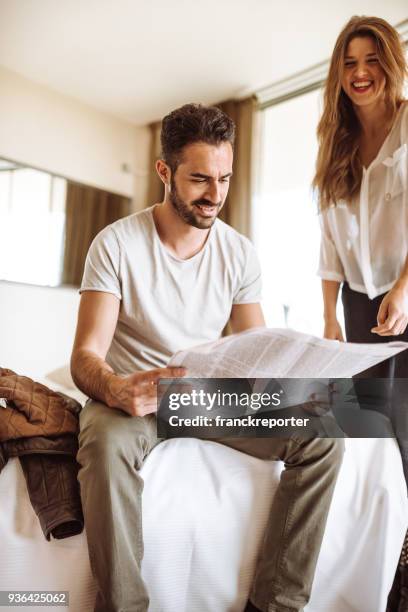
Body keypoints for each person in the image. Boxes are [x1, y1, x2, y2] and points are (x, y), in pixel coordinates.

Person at [71, 103, 344, 612]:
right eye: (199, 179)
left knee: (329, 429)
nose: (215, 195)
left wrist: (295, 373)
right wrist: (114, 388)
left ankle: (274, 604)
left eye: (225, 178)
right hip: (137, 398)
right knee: (104, 447)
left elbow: (257, 348)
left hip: (205, 398)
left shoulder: (239, 253)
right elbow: (85, 355)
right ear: (164, 172)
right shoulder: (115, 245)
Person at [314, 15, 408, 609]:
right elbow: (328, 245)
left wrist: (405, 287)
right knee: (376, 439)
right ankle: (387, 565)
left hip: (406, 296)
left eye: (371, 59)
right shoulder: (335, 140)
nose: (360, 73)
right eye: (349, 62)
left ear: (390, 63)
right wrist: (328, 320)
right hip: (356, 307)